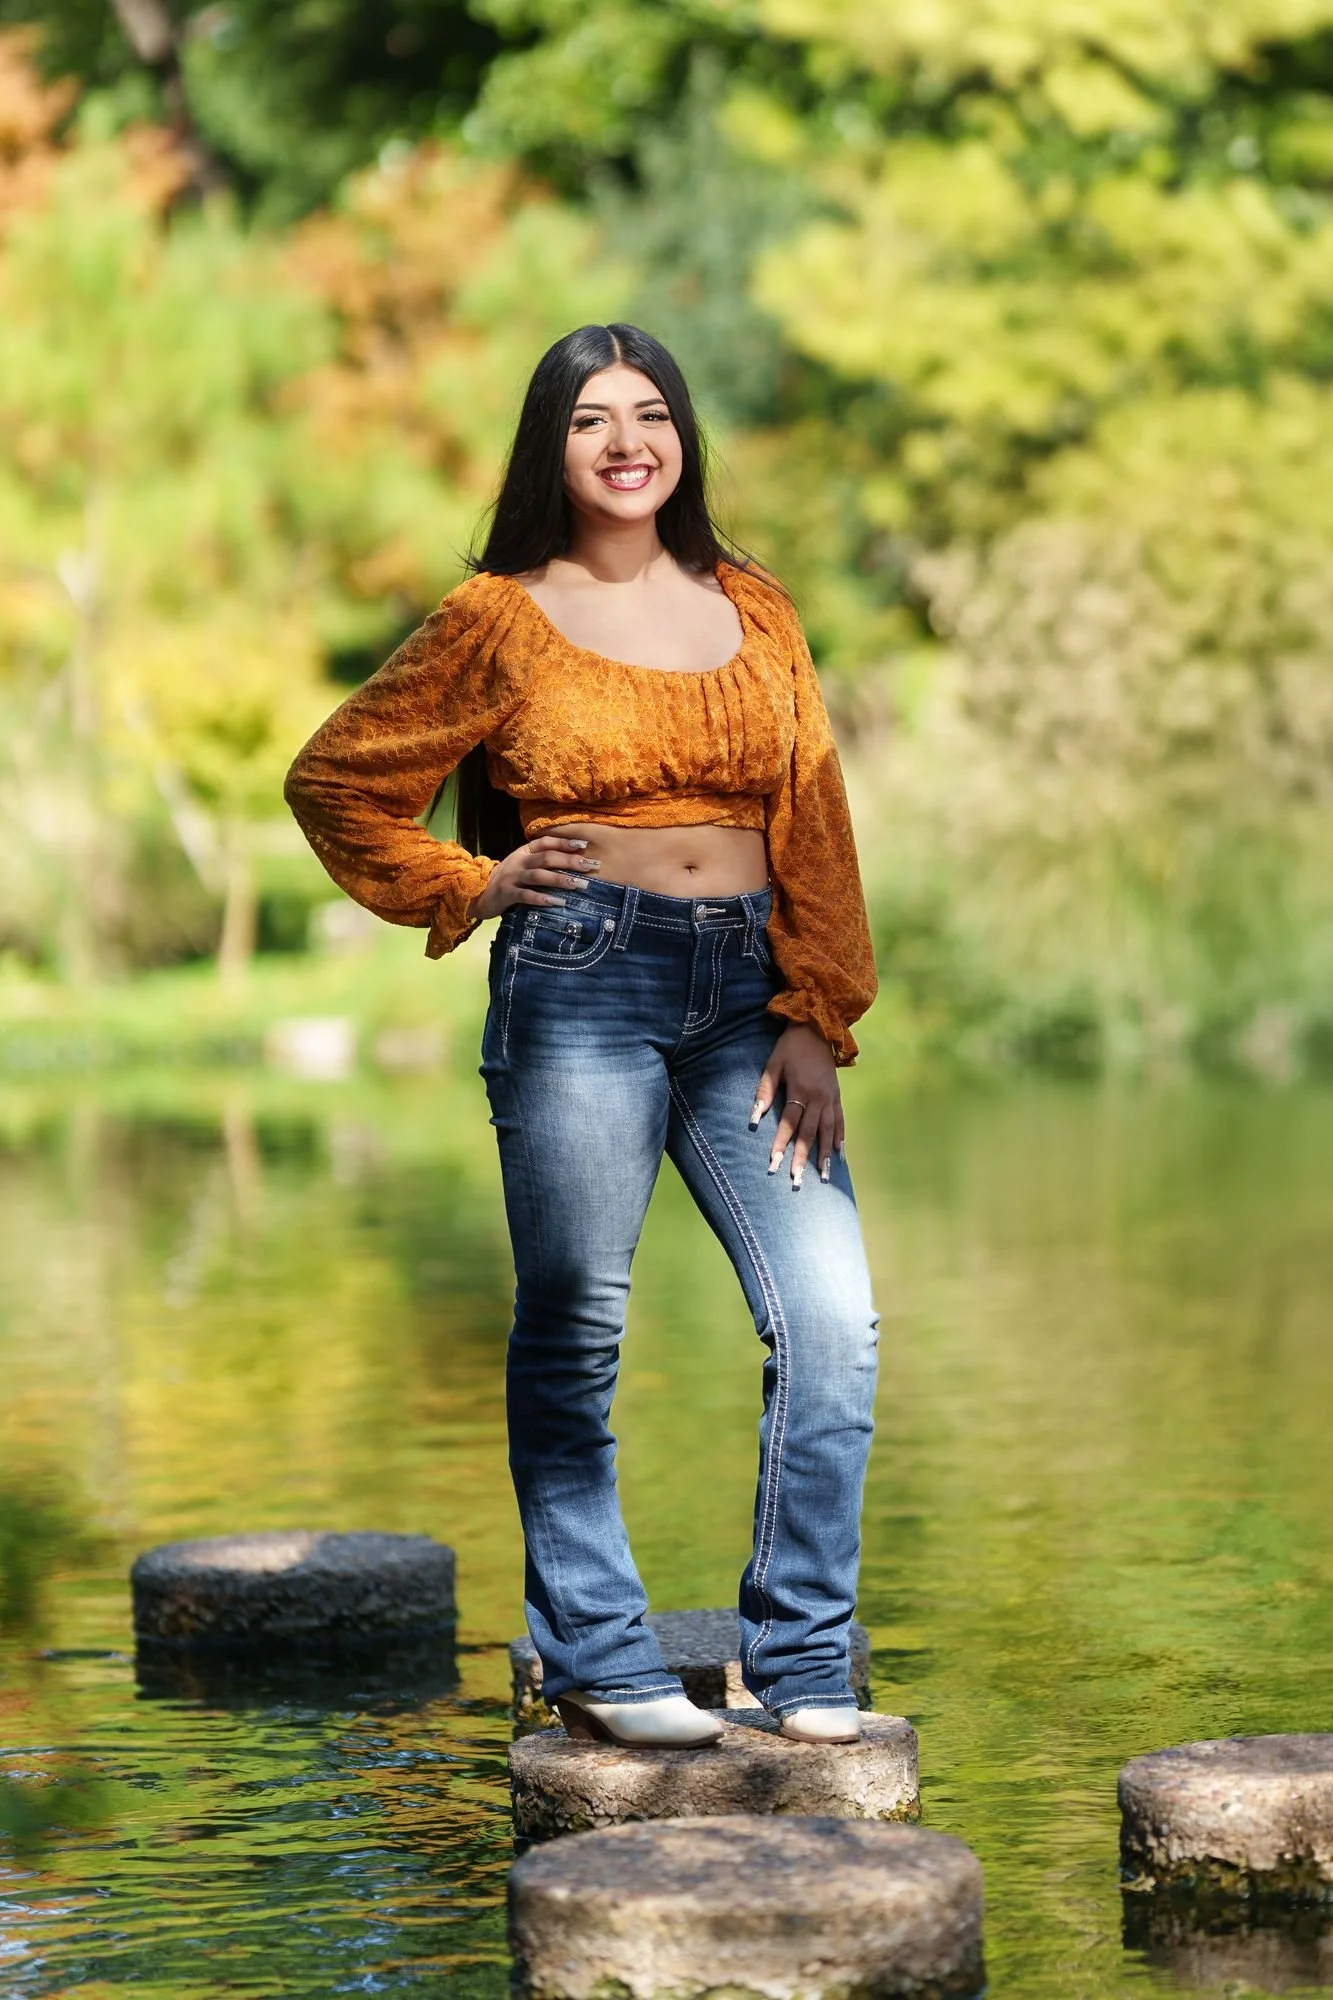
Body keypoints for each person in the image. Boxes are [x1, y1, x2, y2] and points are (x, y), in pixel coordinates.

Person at [284, 323, 880, 1749]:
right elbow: (338, 783)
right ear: (551, 447)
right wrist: (473, 884)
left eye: (653, 412)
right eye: (593, 418)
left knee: (835, 1326)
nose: (628, 439)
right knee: (577, 1328)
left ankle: (801, 1661)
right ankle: (602, 1656)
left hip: (750, 995)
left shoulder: (759, 607)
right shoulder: (498, 615)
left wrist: (818, 1012)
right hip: (580, 978)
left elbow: (814, 820)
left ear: (684, 440)